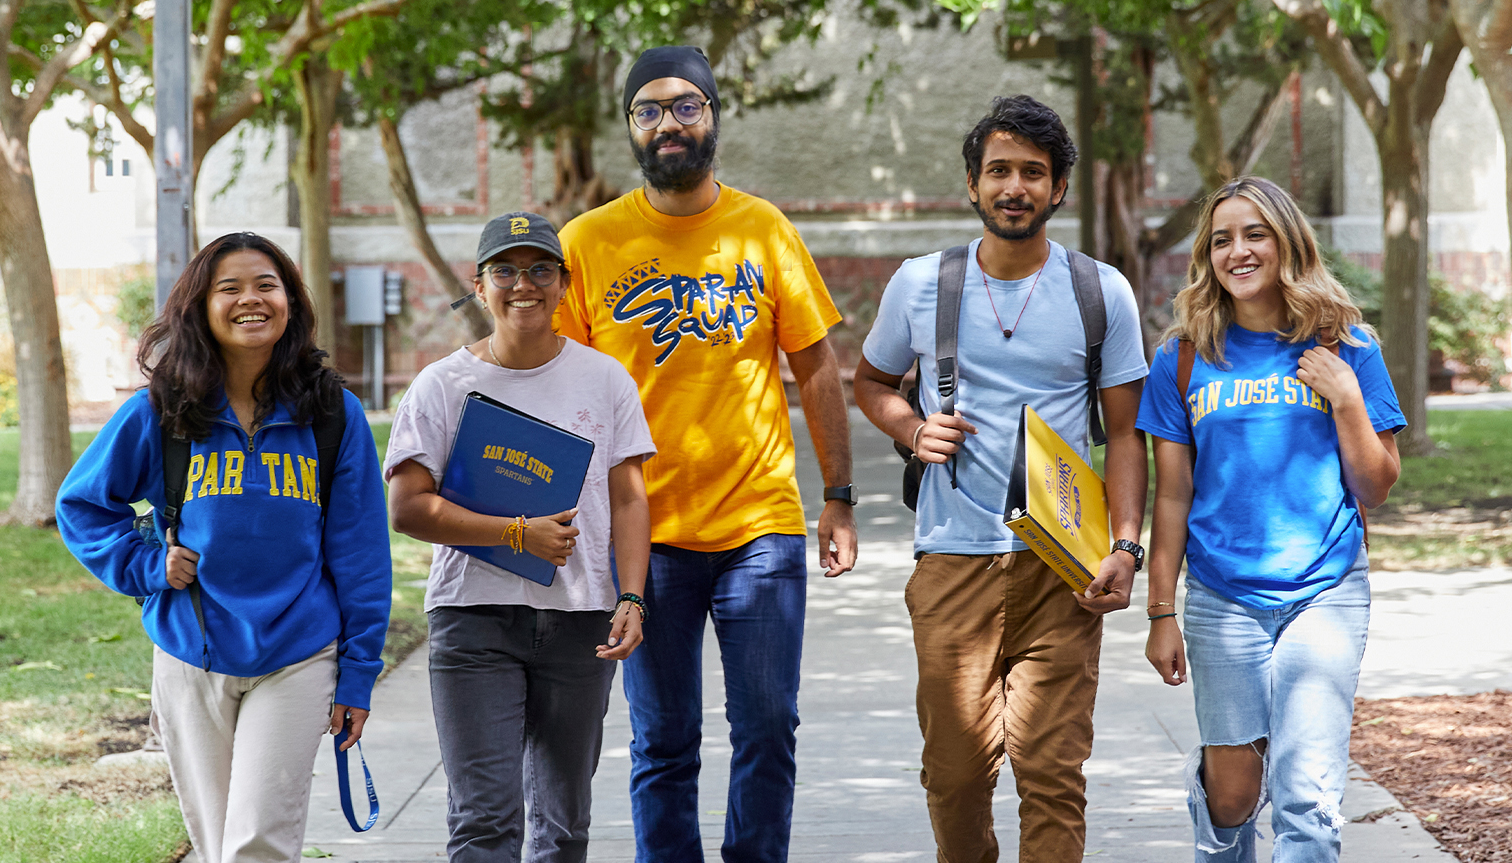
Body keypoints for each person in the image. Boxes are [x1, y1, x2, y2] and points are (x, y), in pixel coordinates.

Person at [554, 45, 858, 863]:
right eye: (649, 109)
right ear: (630, 126)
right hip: (643, 536)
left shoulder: (763, 229)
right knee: (663, 737)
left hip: (759, 527)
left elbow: (816, 365)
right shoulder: (588, 242)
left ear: (713, 116)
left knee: (768, 725)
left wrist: (839, 494)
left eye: (686, 105)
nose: (669, 123)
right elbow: (560, 389)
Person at [854, 94, 1151, 862]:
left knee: (1053, 774)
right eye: (999, 170)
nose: (1014, 187)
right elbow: (871, 383)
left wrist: (1126, 546)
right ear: (973, 183)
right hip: (952, 560)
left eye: (1033, 172)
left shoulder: (1101, 291)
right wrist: (912, 428)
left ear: (1058, 188)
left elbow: (1126, 432)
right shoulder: (921, 283)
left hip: (1063, 565)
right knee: (955, 777)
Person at [56, 233, 392, 863]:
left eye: (266, 285)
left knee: (257, 842)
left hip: (298, 651)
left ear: (291, 301)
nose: (250, 300)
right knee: (217, 846)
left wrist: (359, 672)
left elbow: (362, 554)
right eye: (229, 288)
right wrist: (146, 564)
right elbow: (82, 505)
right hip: (192, 650)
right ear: (201, 307)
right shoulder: (161, 410)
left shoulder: (332, 414)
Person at [1135, 175, 1404, 862]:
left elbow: (1375, 486)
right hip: (1222, 595)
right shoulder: (1183, 356)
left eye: (1255, 234)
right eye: (1222, 239)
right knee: (1232, 795)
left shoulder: (1347, 347)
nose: (1239, 251)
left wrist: (1347, 398)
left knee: (1307, 793)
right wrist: (1160, 611)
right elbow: (1172, 495)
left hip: (1325, 590)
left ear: (1288, 243)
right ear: (1208, 256)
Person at [382, 212, 655, 863]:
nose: (522, 284)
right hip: (474, 619)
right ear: (480, 287)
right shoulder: (442, 385)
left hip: (579, 619)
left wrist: (632, 596)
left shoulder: (606, 379)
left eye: (539, 270)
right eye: (504, 270)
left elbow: (629, 497)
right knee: (484, 822)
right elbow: (407, 508)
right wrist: (514, 533)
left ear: (564, 283)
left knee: (563, 827)